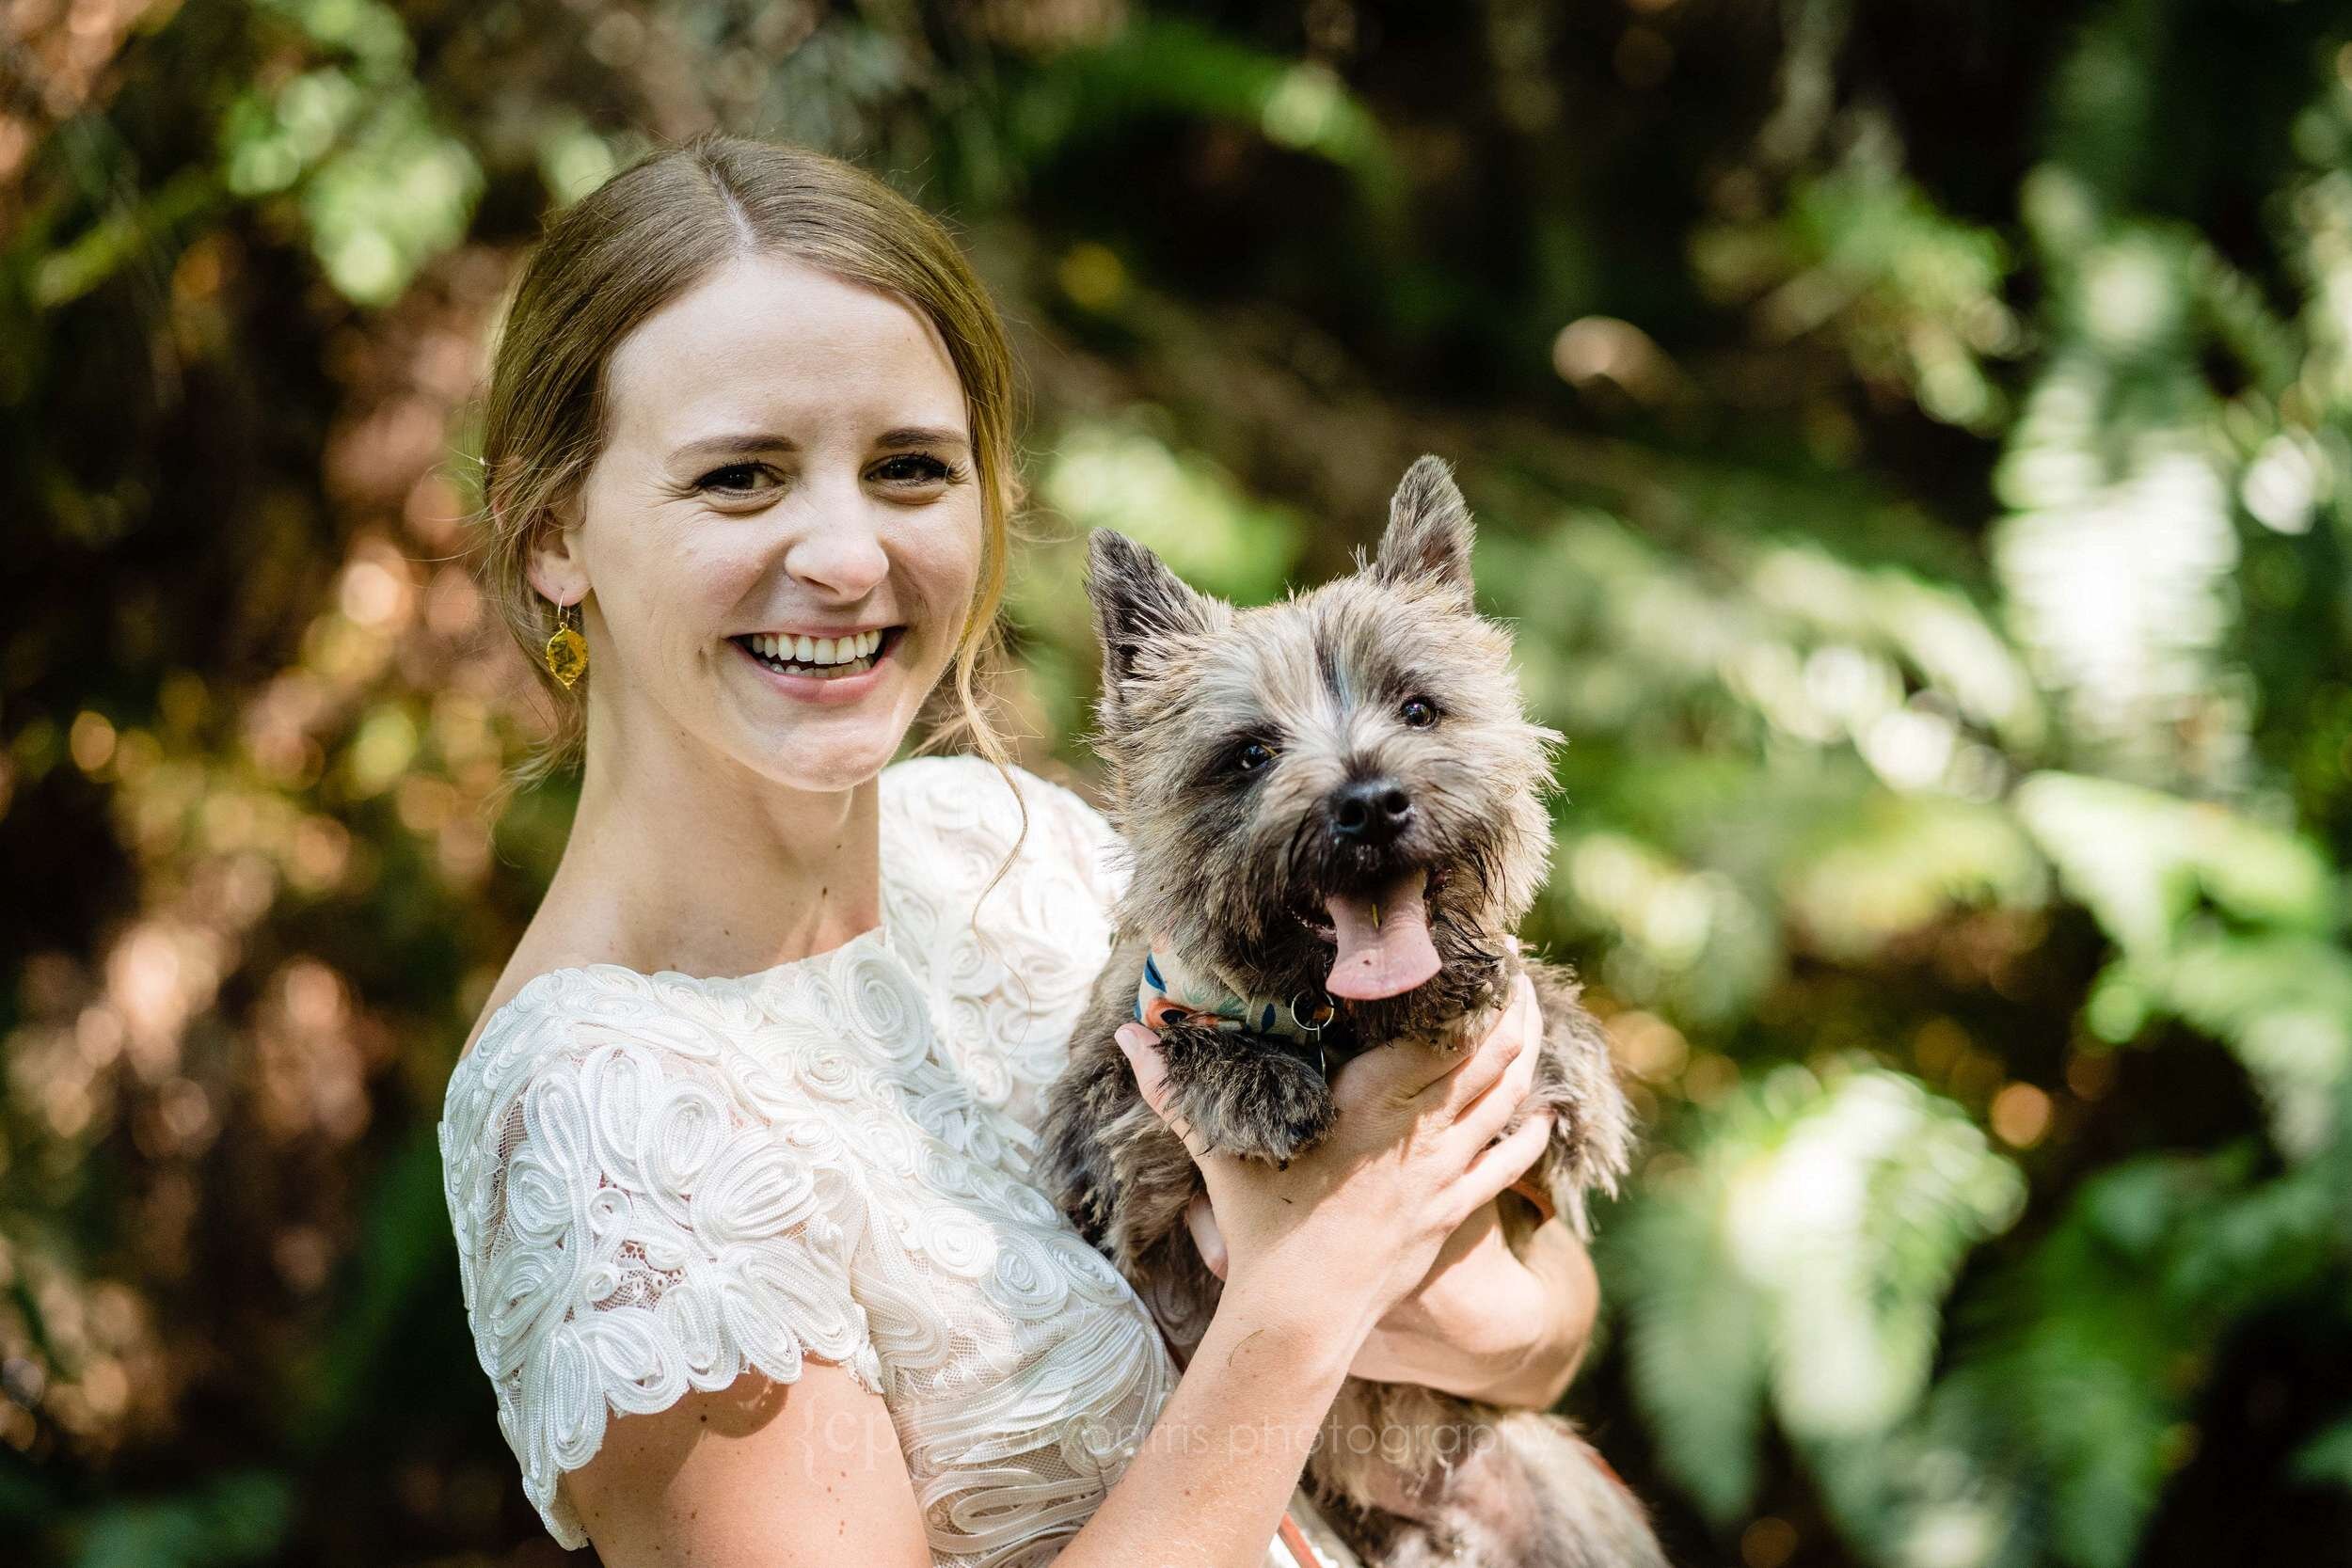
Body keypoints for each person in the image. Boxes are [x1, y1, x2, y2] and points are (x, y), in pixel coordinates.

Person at [435, 133, 1600, 1568]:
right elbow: (1315, 1272)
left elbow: (1544, 1333)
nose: (849, 557)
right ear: (550, 528)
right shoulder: (610, 1116)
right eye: (741, 477)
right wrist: (1308, 1289)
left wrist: (1456, 1267)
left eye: (909, 467)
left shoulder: (1012, 847)